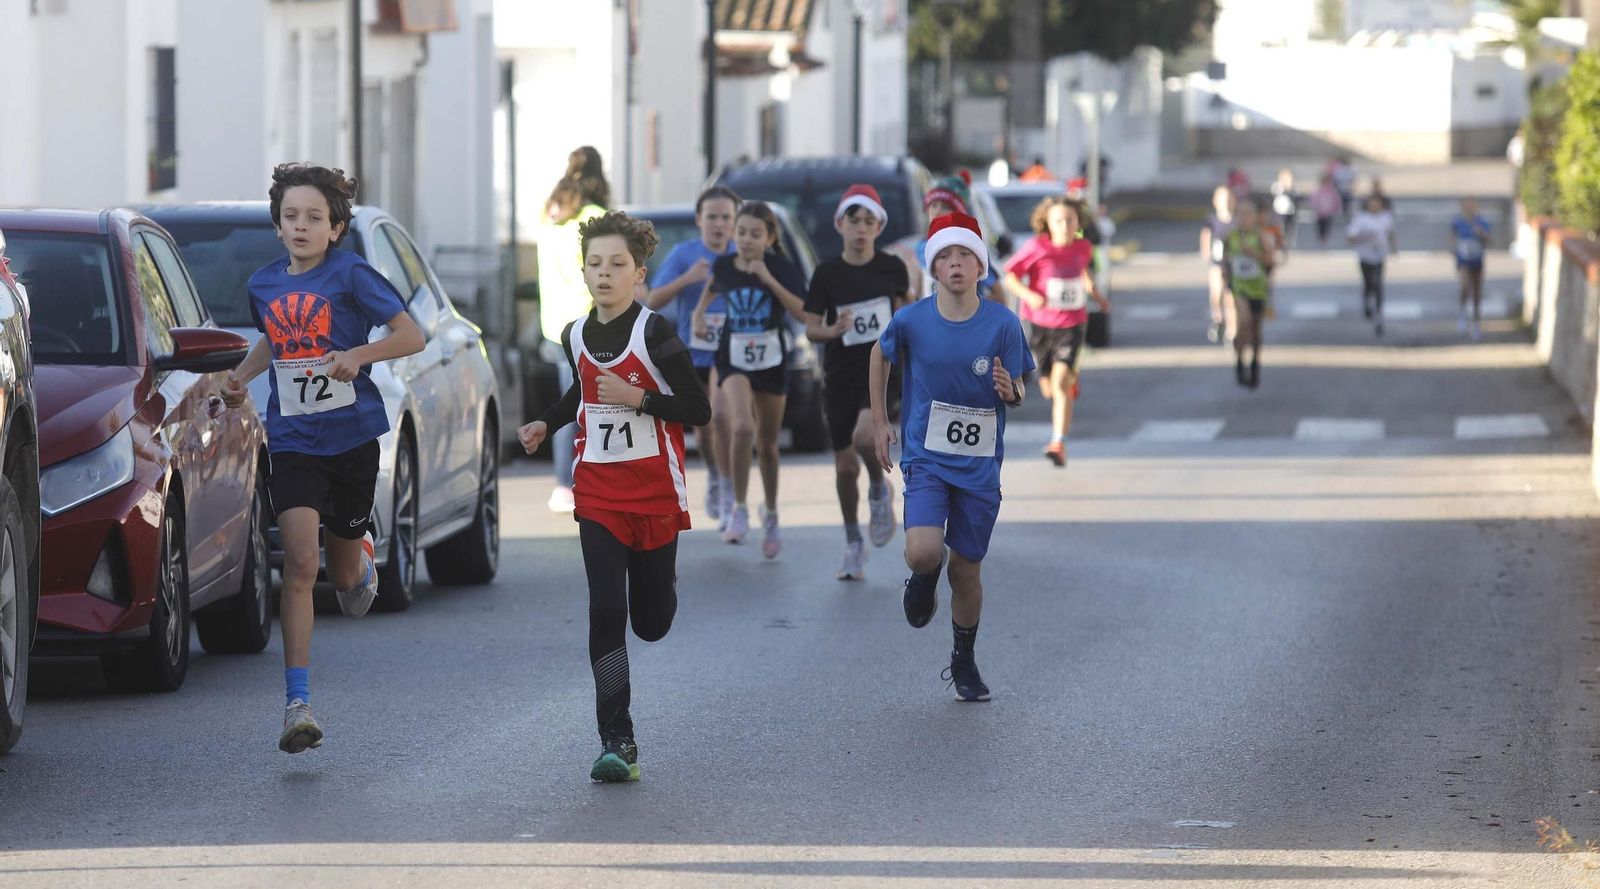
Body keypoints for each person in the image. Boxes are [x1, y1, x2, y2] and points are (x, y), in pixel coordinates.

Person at [220, 163, 425, 754]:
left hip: (351, 439)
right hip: (292, 440)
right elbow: (273, 341)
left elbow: (410, 336)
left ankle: (360, 556)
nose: (302, 226)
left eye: (315, 217)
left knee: (341, 580)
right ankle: (297, 705)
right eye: (291, 217)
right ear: (278, 226)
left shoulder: (353, 273)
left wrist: (358, 354)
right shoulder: (264, 285)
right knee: (302, 565)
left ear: (336, 228)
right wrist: (239, 377)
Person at [517, 211, 710, 783]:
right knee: (605, 608)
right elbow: (581, 390)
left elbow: (698, 409)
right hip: (597, 491)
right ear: (584, 273)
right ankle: (617, 739)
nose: (605, 274)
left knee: (651, 623)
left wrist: (639, 397)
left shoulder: (655, 333)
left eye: (617, 265)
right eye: (595, 264)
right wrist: (543, 425)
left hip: (654, 495)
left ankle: (662, 588)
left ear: (639, 274)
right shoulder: (575, 334)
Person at [870, 212, 1034, 702]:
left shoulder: (1003, 323)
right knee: (923, 550)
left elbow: (1020, 386)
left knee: (966, 571)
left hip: (980, 467)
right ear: (934, 269)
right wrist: (881, 421)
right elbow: (879, 356)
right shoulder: (912, 321)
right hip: (927, 458)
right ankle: (923, 575)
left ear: (981, 267)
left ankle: (963, 659)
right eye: (946, 256)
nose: (956, 264)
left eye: (965, 255)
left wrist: (1012, 392)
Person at [802, 186, 909, 580]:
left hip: (882, 370)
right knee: (845, 468)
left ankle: (879, 488)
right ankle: (852, 542)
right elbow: (811, 327)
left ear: (879, 226)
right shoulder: (826, 274)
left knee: (867, 438)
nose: (861, 228)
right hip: (841, 374)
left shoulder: (891, 268)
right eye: (854, 220)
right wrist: (833, 330)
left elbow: (906, 310)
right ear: (839, 223)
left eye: (869, 221)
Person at [692, 202, 809, 555]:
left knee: (768, 445)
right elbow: (713, 286)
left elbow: (801, 312)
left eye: (755, 234)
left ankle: (770, 513)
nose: (745, 239)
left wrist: (768, 278)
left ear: (770, 237)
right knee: (741, 427)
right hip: (732, 358)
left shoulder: (781, 268)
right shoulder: (725, 264)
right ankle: (739, 509)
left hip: (771, 360)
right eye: (740, 232)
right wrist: (699, 313)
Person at [645, 185, 739, 526]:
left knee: (724, 416)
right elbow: (654, 300)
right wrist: (689, 279)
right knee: (705, 426)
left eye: (725, 217)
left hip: (731, 352)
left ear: (734, 222)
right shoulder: (685, 254)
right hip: (693, 351)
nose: (718, 224)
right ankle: (715, 473)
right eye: (712, 217)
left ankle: (728, 488)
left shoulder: (742, 253)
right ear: (699, 220)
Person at [1001, 197, 1107, 467]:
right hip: (1041, 324)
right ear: (1046, 223)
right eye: (1058, 220)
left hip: (1072, 324)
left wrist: (1096, 294)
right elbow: (1010, 276)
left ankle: (1058, 442)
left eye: (1070, 220)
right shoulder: (1036, 247)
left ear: (1078, 223)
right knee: (1048, 388)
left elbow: (1082, 271)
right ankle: (1068, 378)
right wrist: (1029, 295)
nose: (1064, 226)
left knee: (1060, 384)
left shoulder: (1083, 247)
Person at [536, 146, 611, 513]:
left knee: (566, 404)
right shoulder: (596, 218)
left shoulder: (550, 218)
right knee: (595, 403)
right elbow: (601, 273)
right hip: (590, 322)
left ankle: (563, 484)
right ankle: (586, 479)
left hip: (554, 326)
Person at [1225, 200, 1273, 390]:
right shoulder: (1232, 237)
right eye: (1240, 214)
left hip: (1258, 289)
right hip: (1240, 288)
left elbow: (1271, 259)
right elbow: (1225, 261)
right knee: (1243, 322)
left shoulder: (1261, 236)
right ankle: (1238, 360)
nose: (1244, 218)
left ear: (1255, 217)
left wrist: (1252, 252)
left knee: (1255, 331)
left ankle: (1254, 363)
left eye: (1248, 214)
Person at [1347, 194, 1398, 336]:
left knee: (1378, 283)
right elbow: (1350, 236)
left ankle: (1379, 314)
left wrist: (1393, 247)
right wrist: (1361, 237)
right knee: (1368, 283)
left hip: (1379, 255)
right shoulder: (1361, 219)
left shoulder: (1386, 217)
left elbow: (1390, 232)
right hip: (1365, 256)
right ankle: (1367, 305)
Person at [1199, 185, 1237, 345]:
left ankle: (1231, 332)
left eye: (1228, 198)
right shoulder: (1212, 221)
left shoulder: (1237, 221)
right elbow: (1205, 236)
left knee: (1232, 299)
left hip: (1234, 263)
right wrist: (1206, 253)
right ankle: (1218, 318)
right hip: (1217, 262)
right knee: (1217, 293)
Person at [1453, 197, 1491, 342]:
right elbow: (1453, 237)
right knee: (1464, 286)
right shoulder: (1458, 223)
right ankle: (1463, 314)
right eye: (1467, 205)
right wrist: (1453, 251)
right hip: (1463, 260)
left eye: (1472, 205)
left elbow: (1488, 241)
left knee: (1476, 291)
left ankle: (1476, 323)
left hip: (1477, 260)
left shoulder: (1482, 223)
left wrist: (1482, 234)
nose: (1469, 208)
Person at [1269, 169, 1299, 246]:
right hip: (1279, 210)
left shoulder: (1292, 187)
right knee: (1279, 227)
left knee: (1289, 227)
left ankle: (1288, 241)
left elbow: (1295, 197)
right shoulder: (1277, 186)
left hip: (1289, 210)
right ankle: (1279, 241)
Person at [1310, 174, 1341, 246]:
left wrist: (1338, 208)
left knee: (1327, 226)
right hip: (1320, 213)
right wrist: (1315, 208)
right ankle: (1321, 238)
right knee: (1320, 226)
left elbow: (1337, 200)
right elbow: (1314, 200)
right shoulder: (1319, 192)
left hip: (1329, 213)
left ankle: (1325, 238)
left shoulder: (1332, 192)